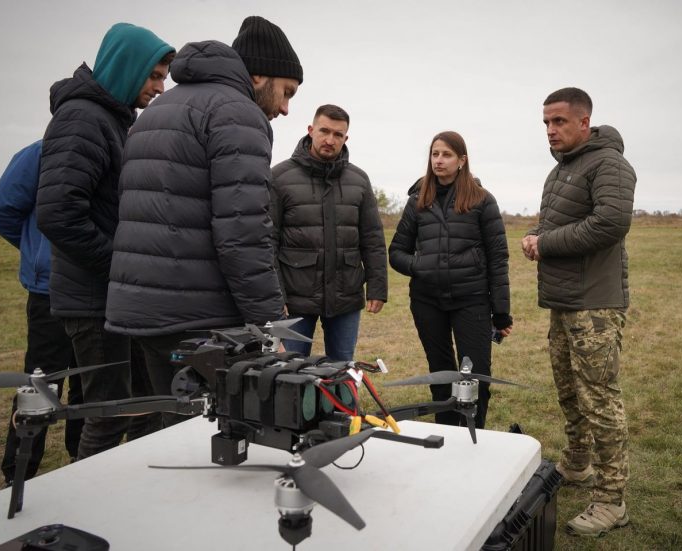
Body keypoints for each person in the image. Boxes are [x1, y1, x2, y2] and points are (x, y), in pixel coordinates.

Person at [105, 16, 303, 426]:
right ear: (259, 75)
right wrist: (270, 325)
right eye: (287, 92)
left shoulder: (157, 110)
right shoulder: (238, 114)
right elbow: (242, 232)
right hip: (202, 319)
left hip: (145, 311)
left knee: (172, 430)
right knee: (220, 434)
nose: (285, 108)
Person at [36, 23, 175, 459]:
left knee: (147, 405)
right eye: (154, 76)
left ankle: (139, 487)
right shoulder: (81, 119)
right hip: (93, 300)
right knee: (110, 412)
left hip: (118, 297)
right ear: (126, 67)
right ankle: (88, 493)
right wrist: (122, 266)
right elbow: (58, 213)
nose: (160, 87)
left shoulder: (114, 120)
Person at [522, 87, 635, 537]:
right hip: (563, 301)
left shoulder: (609, 164)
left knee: (599, 400)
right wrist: (535, 235)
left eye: (559, 122)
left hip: (596, 305)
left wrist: (545, 243)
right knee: (570, 391)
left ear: (584, 122)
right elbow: (557, 222)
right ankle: (578, 464)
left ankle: (611, 500)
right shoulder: (561, 170)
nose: (550, 130)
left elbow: (611, 223)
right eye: (546, 123)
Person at [389, 131, 512, 429]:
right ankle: (446, 436)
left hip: (471, 300)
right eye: (435, 154)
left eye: (446, 154)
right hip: (427, 301)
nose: (439, 160)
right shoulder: (418, 201)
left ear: (462, 160)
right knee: (441, 375)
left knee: (476, 376)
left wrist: (501, 312)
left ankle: (474, 435)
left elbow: (498, 258)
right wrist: (420, 265)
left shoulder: (482, 200)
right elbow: (396, 252)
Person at [0, 140, 83, 484]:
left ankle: (84, 461)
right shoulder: (41, 152)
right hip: (49, 292)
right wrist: (38, 252)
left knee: (90, 384)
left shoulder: (113, 143)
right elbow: (0, 210)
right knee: (41, 383)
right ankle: (18, 474)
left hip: (98, 290)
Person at [270, 104, 388, 361]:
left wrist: (378, 287)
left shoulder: (359, 180)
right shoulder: (279, 177)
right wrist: (275, 294)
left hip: (346, 295)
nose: (330, 140)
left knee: (342, 369)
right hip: (294, 298)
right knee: (289, 371)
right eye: (324, 131)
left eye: (338, 134)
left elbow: (373, 238)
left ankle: (341, 391)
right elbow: (268, 241)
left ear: (346, 138)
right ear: (311, 130)